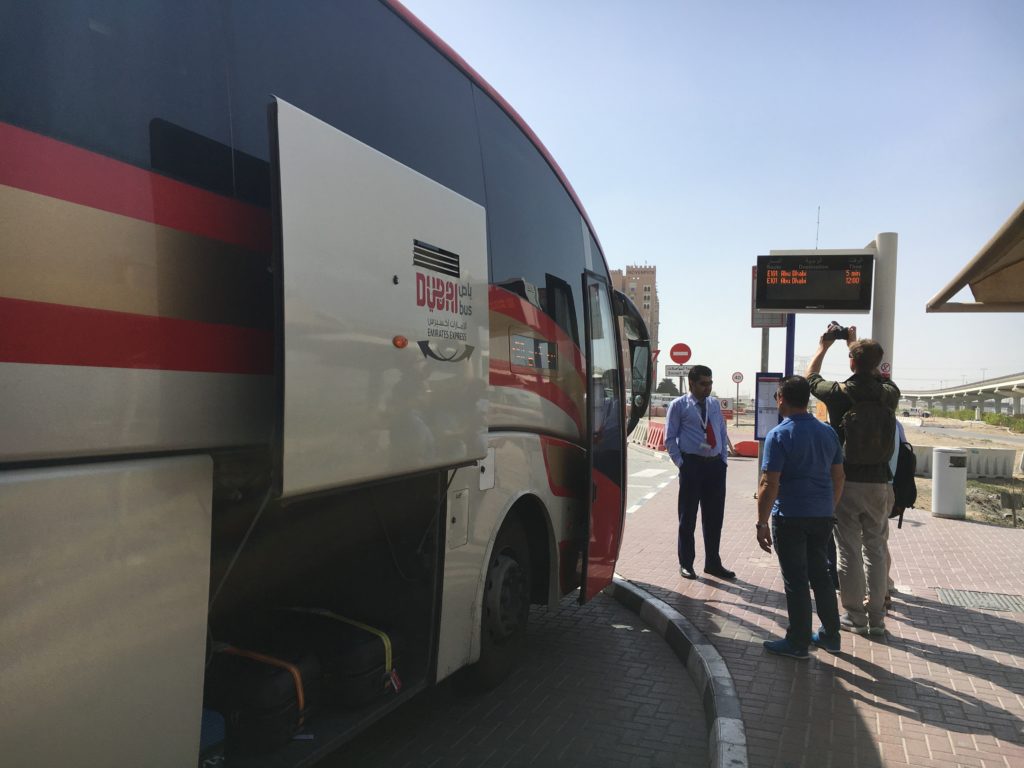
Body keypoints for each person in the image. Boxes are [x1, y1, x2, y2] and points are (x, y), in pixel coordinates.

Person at [806, 324, 900, 636]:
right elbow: (873, 374)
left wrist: (824, 346)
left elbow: (809, 379)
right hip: (880, 483)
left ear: (851, 362)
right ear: (877, 364)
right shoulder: (889, 394)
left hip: (846, 481)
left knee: (848, 549)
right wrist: (854, 343)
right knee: (875, 547)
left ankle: (855, 616)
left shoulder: (839, 394)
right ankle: (877, 618)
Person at [756, 376, 845, 659]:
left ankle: (798, 641)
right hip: (821, 516)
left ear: (781, 398)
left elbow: (770, 484)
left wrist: (761, 522)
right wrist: (829, 507)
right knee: (821, 575)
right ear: (807, 399)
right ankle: (831, 635)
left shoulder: (779, 435)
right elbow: (839, 476)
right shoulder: (828, 432)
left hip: (790, 516)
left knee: (795, 579)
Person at [665, 365, 735, 580]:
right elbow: (670, 438)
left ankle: (713, 563)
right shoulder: (679, 406)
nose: (708, 388)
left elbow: (722, 433)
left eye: (710, 383)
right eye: (703, 384)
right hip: (692, 466)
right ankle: (686, 563)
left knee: (714, 517)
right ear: (691, 384)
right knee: (688, 517)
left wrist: (723, 460)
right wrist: (682, 464)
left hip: (715, 467)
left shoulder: (714, 404)